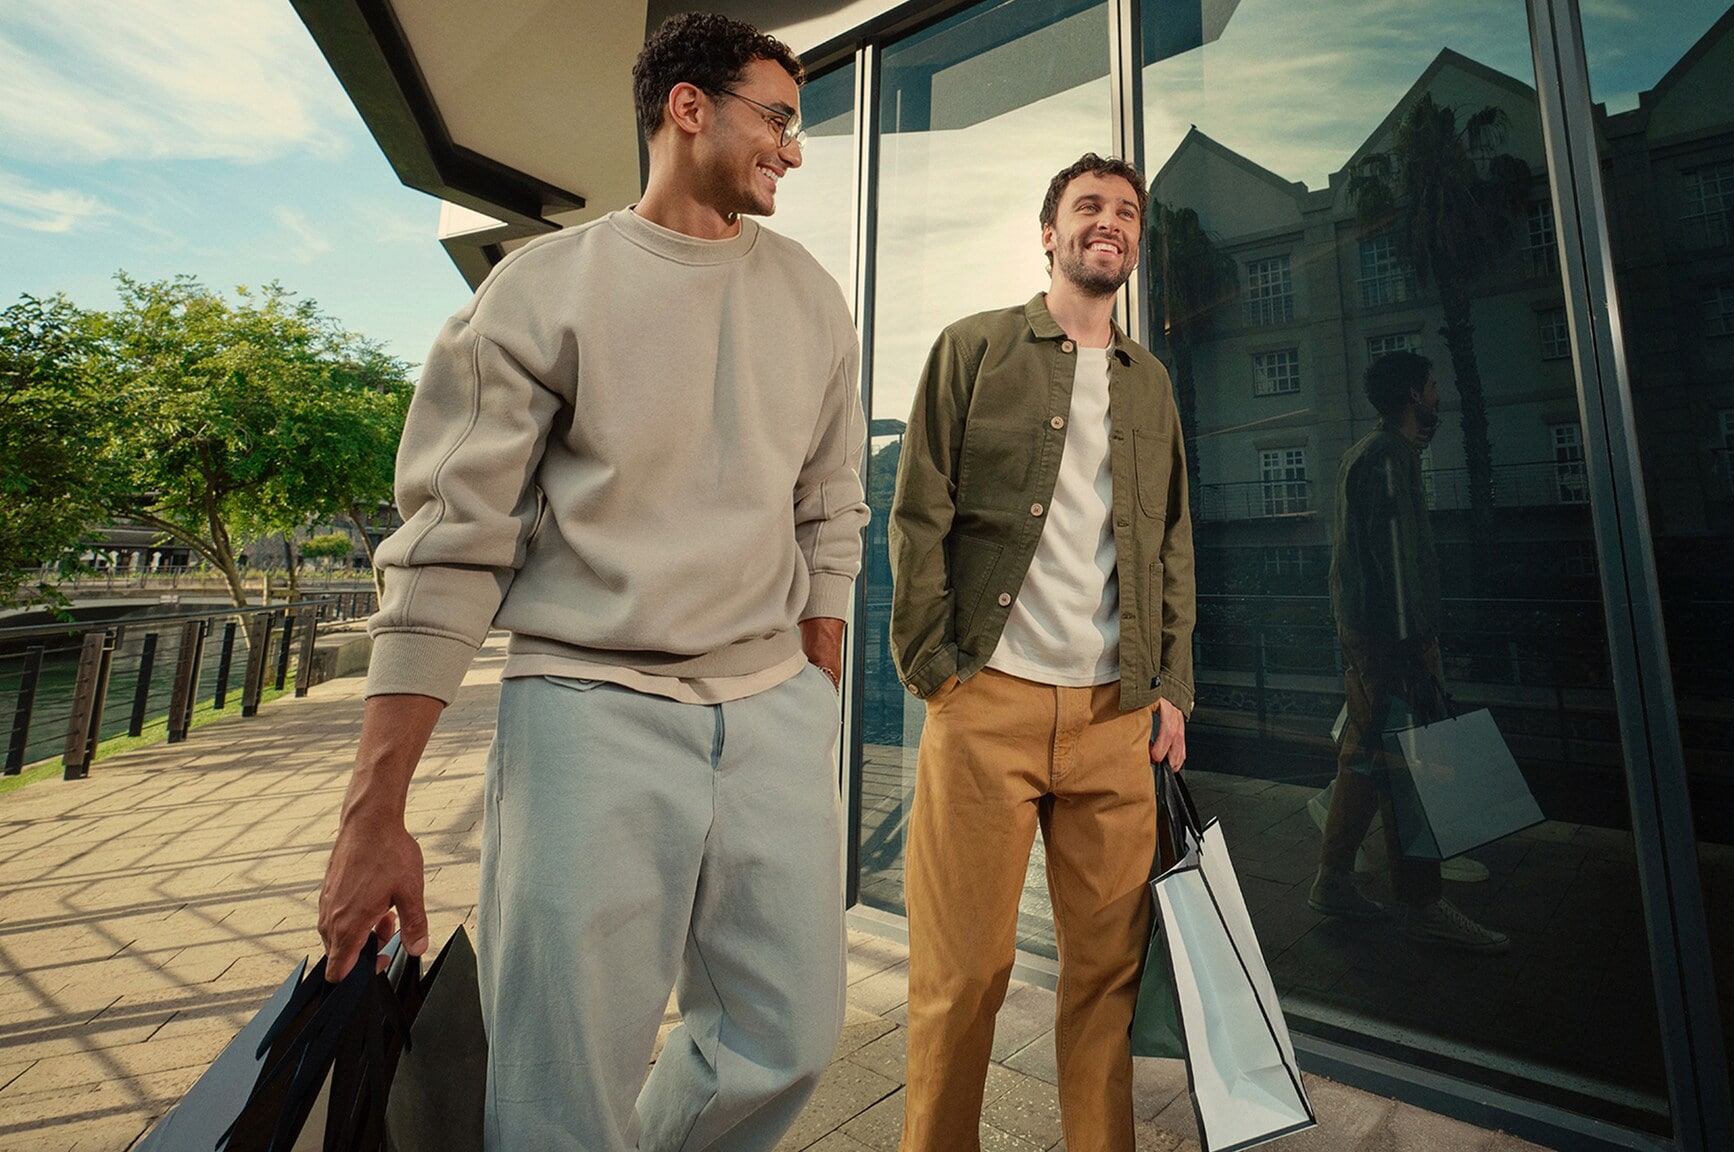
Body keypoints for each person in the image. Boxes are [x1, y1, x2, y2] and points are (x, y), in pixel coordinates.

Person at [314, 13, 868, 1150]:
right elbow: (446, 549)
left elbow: (831, 504)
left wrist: (816, 671)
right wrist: (375, 815)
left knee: (786, 1042)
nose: (794, 149)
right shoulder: (537, 291)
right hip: (587, 714)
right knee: (560, 1087)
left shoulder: (812, 293)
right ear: (687, 108)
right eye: (776, 117)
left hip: (767, 714)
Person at [888, 153, 1195, 1152]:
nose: (1112, 222)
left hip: (1116, 718)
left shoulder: (1148, 385)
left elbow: (1170, 544)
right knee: (962, 974)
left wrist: (1171, 693)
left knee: (1104, 981)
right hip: (988, 706)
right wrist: (934, 667)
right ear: (1049, 234)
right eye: (1090, 208)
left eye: (1128, 212)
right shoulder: (973, 350)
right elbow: (917, 510)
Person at [1310, 350, 1509, 953]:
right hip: (1392, 641)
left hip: (1367, 634)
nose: (1438, 397)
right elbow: (1397, 566)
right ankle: (1422, 902)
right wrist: (1417, 646)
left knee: (1367, 760)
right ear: (1411, 397)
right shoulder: (1391, 461)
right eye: (1431, 388)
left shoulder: (1364, 455)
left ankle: (1334, 880)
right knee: (1411, 766)